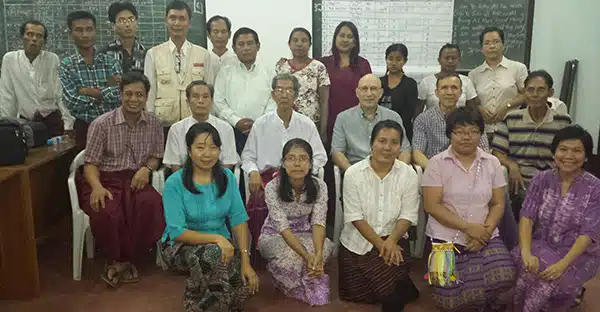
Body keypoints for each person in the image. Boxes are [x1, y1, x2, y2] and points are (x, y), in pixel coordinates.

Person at [422, 107, 516, 312]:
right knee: (446, 297)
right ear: (450, 134)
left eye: (473, 131)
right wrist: (468, 228)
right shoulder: (436, 163)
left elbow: (498, 203)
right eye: (460, 131)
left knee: (505, 277)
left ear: (481, 133)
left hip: (486, 235)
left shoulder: (491, 163)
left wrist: (484, 232)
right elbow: (432, 206)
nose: (467, 137)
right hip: (443, 239)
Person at [77, 71, 165, 287]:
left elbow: (155, 157)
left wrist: (146, 169)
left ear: (146, 97)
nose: (134, 99)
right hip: (105, 179)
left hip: (136, 179)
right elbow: (90, 164)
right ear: (120, 95)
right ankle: (118, 260)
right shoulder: (101, 124)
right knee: (106, 211)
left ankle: (128, 259)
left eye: (139, 95)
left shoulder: (154, 123)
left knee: (151, 204)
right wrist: (96, 187)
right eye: (129, 94)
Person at [161, 122, 259, 312]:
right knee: (214, 257)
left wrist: (246, 262)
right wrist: (217, 238)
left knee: (244, 287)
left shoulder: (227, 177)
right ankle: (208, 305)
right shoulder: (175, 182)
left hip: (222, 243)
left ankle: (196, 295)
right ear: (189, 151)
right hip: (180, 246)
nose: (207, 153)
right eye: (200, 147)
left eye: (213, 148)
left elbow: (239, 219)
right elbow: (176, 231)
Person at [241, 73, 327, 265]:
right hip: (267, 179)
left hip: (299, 178)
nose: (284, 94)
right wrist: (253, 171)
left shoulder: (306, 124)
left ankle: (300, 244)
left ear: (296, 95)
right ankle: (262, 251)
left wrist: (305, 172)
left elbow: (320, 156)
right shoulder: (261, 123)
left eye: (289, 90)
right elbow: (247, 156)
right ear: (273, 95)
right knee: (259, 195)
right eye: (280, 90)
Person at [512, 125, 600, 311]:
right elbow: (527, 216)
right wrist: (526, 252)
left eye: (577, 151)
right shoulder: (541, 179)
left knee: (548, 279)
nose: (569, 156)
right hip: (541, 243)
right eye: (563, 149)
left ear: (585, 156)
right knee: (528, 267)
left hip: (579, 254)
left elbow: (589, 232)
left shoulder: (595, 188)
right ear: (554, 153)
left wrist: (562, 265)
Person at [338, 120, 420, 312]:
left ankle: (395, 293)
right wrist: (382, 245)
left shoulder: (408, 174)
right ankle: (402, 287)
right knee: (359, 294)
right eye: (382, 141)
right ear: (371, 143)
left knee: (388, 293)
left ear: (400, 146)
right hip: (358, 244)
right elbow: (355, 217)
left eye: (394, 142)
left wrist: (391, 241)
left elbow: (408, 214)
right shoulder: (353, 174)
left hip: (396, 241)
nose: (387, 147)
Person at [258, 138, 333, 306]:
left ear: (311, 163)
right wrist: (306, 255)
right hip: (275, 235)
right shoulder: (272, 187)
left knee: (321, 251)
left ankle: (310, 271)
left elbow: (318, 222)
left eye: (303, 158)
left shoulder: (320, 186)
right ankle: (287, 278)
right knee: (294, 258)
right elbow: (283, 228)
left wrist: (318, 253)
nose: (297, 164)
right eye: (291, 158)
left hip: (307, 233)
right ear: (283, 163)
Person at [492, 70, 571, 218]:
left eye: (541, 90)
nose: (535, 94)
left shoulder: (562, 120)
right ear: (525, 93)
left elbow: (569, 153)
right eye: (530, 90)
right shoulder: (511, 118)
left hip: (551, 179)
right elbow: (497, 152)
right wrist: (512, 165)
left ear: (550, 92)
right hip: (519, 181)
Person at [144, 0, 214, 138]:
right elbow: (149, 92)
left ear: (189, 22)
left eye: (182, 18)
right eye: (173, 18)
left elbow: (209, 90)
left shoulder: (203, 54)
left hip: (195, 123)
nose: (177, 23)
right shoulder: (153, 54)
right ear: (166, 21)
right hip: (163, 125)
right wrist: (150, 123)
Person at [59, 11, 122, 150]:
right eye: (79, 30)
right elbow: (72, 101)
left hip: (114, 126)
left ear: (95, 31)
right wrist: (103, 93)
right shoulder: (67, 66)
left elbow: (119, 94)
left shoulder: (110, 62)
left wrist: (88, 91)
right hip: (84, 128)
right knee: (86, 168)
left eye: (89, 29)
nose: (85, 35)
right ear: (71, 33)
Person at [0, 20, 73, 137]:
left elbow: (61, 94)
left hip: (52, 121)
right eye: (29, 34)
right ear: (22, 37)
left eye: (39, 36)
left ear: (44, 41)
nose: (34, 39)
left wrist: (68, 125)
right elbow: (7, 96)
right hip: (27, 124)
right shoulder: (10, 60)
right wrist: (8, 129)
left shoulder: (52, 59)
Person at [213, 27, 276, 154]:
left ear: (258, 46)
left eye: (250, 43)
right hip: (231, 131)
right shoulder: (225, 72)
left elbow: (274, 99)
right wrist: (236, 121)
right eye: (241, 44)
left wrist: (259, 123)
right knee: (233, 168)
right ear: (234, 48)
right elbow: (218, 101)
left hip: (263, 130)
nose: (246, 48)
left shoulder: (269, 72)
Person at [332, 73, 411, 171]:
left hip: (388, 172)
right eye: (364, 89)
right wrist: (351, 173)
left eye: (373, 89)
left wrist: (398, 172)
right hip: (356, 172)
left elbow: (405, 150)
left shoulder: (393, 117)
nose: (369, 94)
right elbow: (337, 152)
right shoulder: (343, 118)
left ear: (381, 93)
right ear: (357, 92)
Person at [413, 73, 488, 169]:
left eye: (454, 88)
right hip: (435, 171)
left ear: (460, 92)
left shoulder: (473, 118)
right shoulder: (423, 119)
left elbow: (484, 150)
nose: (449, 92)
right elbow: (417, 153)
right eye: (444, 88)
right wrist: (435, 171)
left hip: (468, 169)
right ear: (437, 92)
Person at [469, 27, 528, 142]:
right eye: (487, 43)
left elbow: (526, 94)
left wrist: (507, 106)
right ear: (482, 48)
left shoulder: (518, 68)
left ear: (503, 45)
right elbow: (471, 102)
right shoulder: (474, 74)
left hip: (511, 127)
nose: (492, 46)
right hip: (483, 130)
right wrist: (480, 109)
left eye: (496, 42)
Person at [164, 80, 238, 172]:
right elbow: (175, 165)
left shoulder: (226, 128)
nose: (200, 101)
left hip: (217, 180)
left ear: (212, 100)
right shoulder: (176, 129)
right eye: (195, 96)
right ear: (187, 101)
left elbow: (228, 164)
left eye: (205, 97)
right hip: (185, 181)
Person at [320, 21, 372, 141]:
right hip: (329, 120)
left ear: (355, 42)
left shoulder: (363, 64)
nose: (345, 40)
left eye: (350, 37)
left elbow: (369, 94)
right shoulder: (323, 63)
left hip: (357, 120)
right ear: (335, 38)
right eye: (341, 35)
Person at [275, 28, 330, 141]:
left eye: (304, 40)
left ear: (310, 44)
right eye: (295, 40)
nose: (299, 44)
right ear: (289, 44)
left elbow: (324, 102)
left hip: (311, 124)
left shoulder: (318, 67)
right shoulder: (281, 66)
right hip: (284, 123)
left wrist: (323, 131)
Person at [418, 43, 479, 112]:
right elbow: (418, 109)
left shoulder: (466, 81)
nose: (450, 61)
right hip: (432, 121)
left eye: (453, 58)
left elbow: (472, 109)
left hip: (459, 121)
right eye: (446, 58)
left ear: (459, 60)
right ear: (439, 60)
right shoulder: (426, 82)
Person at [378, 43, 419, 143]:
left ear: (405, 61)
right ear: (386, 59)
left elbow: (409, 113)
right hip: (379, 130)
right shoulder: (379, 82)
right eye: (390, 59)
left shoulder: (410, 84)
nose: (394, 63)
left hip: (402, 131)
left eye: (398, 59)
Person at [101, 2, 146, 74]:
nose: (127, 24)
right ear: (113, 26)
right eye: (122, 20)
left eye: (131, 19)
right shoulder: (104, 53)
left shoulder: (146, 53)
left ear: (137, 23)